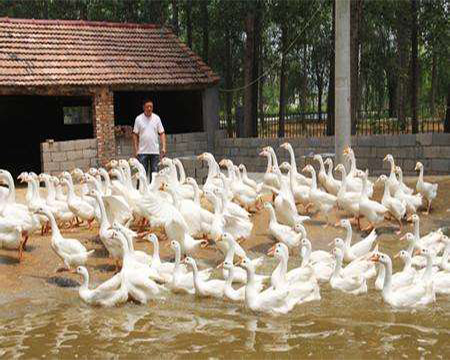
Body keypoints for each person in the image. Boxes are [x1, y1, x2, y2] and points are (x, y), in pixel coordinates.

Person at [132, 99, 166, 182]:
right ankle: (140, 192)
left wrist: (164, 147)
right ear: (143, 107)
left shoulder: (156, 118)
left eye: (151, 106)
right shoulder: (138, 119)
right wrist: (136, 150)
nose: (149, 108)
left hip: (154, 152)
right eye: (147, 107)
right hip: (142, 152)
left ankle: (153, 193)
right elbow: (135, 134)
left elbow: (162, 133)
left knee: (155, 175)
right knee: (142, 174)